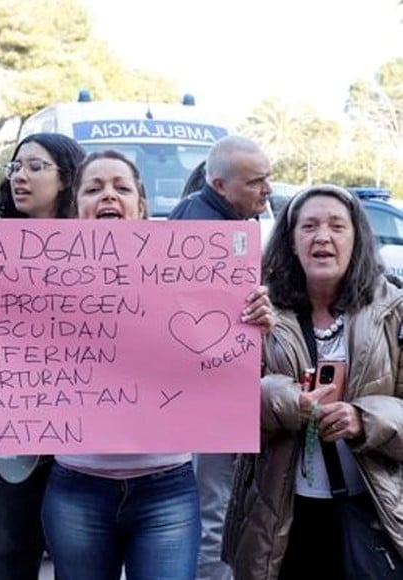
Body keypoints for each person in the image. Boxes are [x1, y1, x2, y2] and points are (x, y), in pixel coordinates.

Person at [0, 149, 274, 580]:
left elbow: (226, 367)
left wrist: (255, 327)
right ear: (76, 206)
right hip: (77, 487)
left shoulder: (189, 269)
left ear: (140, 206)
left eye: (121, 187)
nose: (108, 196)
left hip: (167, 487)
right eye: (94, 188)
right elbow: (7, 354)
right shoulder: (35, 274)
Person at [224, 184, 403, 579]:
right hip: (279, 519)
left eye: (337, 226)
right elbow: (222, 405)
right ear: (290, 241)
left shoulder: (394, 310)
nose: (323, 236)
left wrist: (364, 419)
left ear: (357, 238)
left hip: (371, 514)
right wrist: (287, 402)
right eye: (309, 226)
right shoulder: (257, 309)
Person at [0, 132, 85, 580]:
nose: (20, 176)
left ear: (67, 178)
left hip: (85, 432)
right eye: (15, 167)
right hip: (16, 434)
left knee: (80, 558)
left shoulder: (103, 249)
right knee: (11, 552)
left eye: (36, 167)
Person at [167, 135, 272, 580]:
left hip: (205, 392)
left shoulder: (206, 214)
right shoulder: (210, 231)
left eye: (267, 179)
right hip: (211, 394)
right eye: (256, 182)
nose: (267, 190)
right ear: (220, 184)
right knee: (217, 510)